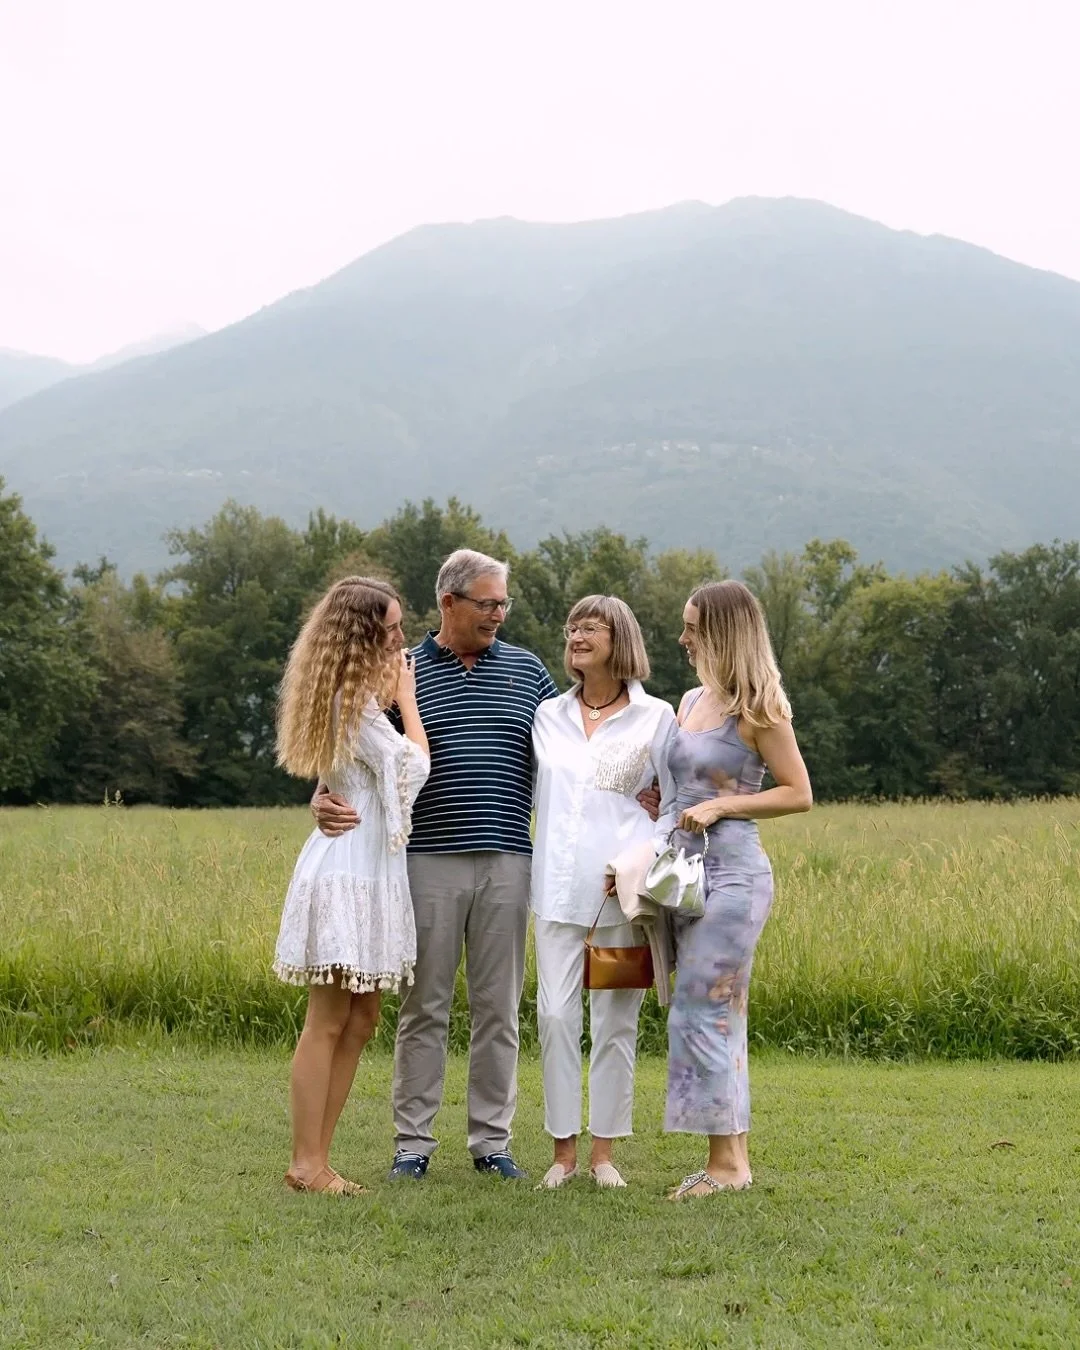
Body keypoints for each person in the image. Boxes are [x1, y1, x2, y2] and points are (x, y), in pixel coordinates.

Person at [312, 550, 558, 1181]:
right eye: (487, 603)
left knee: (498, 1006)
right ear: (449, 602)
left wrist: (643, 789)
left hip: (508, 857)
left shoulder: (530, 672)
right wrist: (320, 793)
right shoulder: (402, 670)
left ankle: (491, 1143)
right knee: (425, 1005)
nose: (499, 615)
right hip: (424, 861)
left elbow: (573, 754)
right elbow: (354, 751)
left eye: (504, 603)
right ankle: (412, 1146)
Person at [273, 577, 430, 1196]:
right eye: (390, 628)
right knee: (329, 1018)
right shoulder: (351, 699)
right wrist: (410, 703)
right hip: (347, 872)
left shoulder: (361, 696)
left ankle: (320, 1158)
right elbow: (410, 768)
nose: (399, 638)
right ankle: (306, 1162)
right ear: (362, 633)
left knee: (362, 1016)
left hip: (372, 868)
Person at [662, 579, 812, 1200]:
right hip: (684, 877)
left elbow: (797, 792)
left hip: (733, 878)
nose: (684, 636)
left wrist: (724, 804)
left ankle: (725, 1167)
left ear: (724, 631)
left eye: (694, 625)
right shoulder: (692, 697)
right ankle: (733, 1159)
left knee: (700, 1010)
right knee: (719, 1013)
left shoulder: (758, 706)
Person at [531, 596, 676, 1190]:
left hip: (622, 899)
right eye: (572, 627)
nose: (577, 635)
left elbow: (674, 806)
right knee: (555, 1016)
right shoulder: (547, 715)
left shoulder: (657, 718)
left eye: (591, 627)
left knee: (615, 1024)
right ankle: (562, 1152)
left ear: (621, 639)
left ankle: (603, 1155)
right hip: (555, 894)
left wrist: (640, 855)